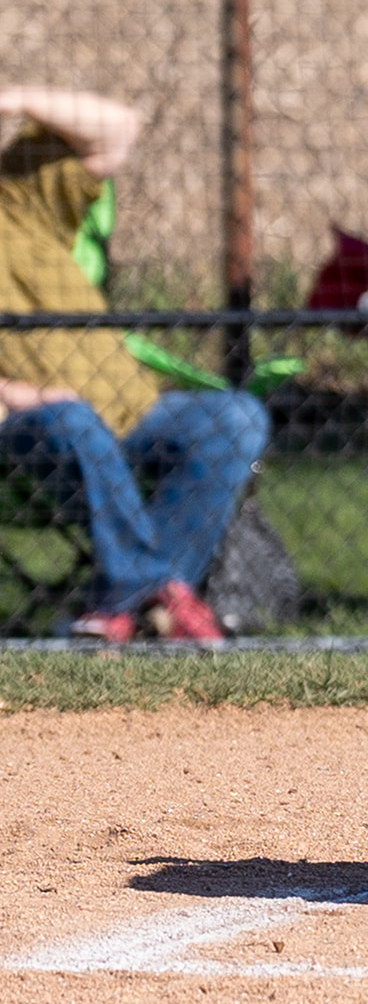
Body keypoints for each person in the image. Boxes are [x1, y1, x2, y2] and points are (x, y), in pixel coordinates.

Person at [0, 86, 270, 644]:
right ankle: (155, 596)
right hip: (37, 428)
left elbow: (120, 128)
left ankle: (132, 607)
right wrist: (18, 395)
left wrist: (18, 98)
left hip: (131, 408)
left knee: (235, 417)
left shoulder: (19, 198)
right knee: (74, 419)